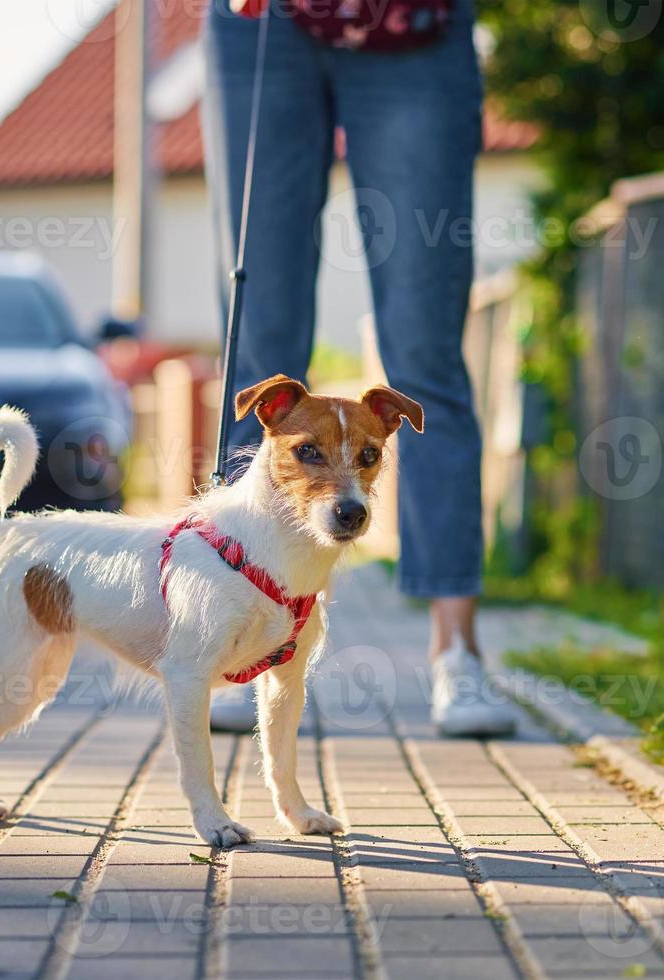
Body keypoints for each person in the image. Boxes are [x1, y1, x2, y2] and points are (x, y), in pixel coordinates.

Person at [200, 0, 514, 738]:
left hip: (414, 28)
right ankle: (234, 644)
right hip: (262, 26)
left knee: (425, 354)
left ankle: (456, 653)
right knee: (259, 353)